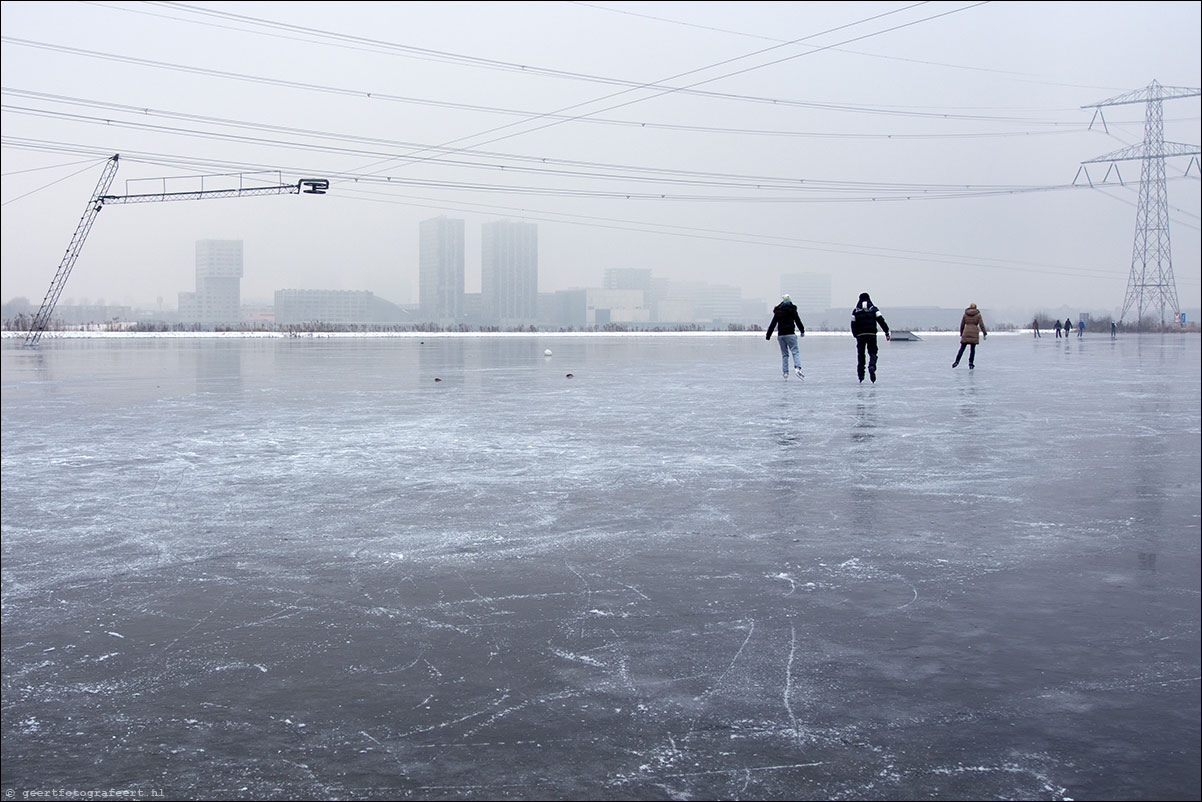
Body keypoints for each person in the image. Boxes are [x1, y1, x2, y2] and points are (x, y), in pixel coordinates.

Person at [850, 292, 890, 383]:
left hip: (860, 336)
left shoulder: (855, 311)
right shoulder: (873, 309)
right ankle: (872, 366)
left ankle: (861, 375)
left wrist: (855, 334)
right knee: (873, 352)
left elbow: (853, 324)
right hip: (871, 334)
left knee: (861, 355)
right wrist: (886, 332)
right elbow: (881, 320)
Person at [766, 294, 805, 379]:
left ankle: (785, 372)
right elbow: (798, 321)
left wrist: (768, 335)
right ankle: (797, 368)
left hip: (781, 336)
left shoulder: (778, 311)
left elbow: (773, 324)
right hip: (790, 334)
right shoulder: (792, 310)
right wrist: (802, 331)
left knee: (785, 354)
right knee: (795, 352)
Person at [952, 302, 987, 369]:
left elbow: (962, 324)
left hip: (966, 332)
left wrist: (961, 333)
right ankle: (971, 363)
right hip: (974, 332)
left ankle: (957, 361)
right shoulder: (978, 315)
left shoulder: (966, 314)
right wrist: (984, 333)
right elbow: (981, 325)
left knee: (962, 348)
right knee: (972, 349)